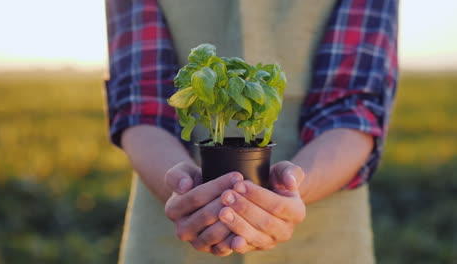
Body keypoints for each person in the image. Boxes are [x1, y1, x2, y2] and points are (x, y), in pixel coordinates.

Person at [104, 0, 398, 263]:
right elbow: (140, 101)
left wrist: (290, 190)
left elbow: (353, 106)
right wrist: (184, 194)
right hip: (169, 235)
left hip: (324, 236)